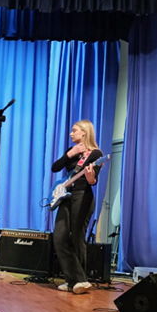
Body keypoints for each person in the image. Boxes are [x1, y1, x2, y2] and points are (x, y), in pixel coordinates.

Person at [51, 119, 103, 294]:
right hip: (66, 197)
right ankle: (72, 280)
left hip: (82, 196)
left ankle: (80, 281)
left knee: (77, 237)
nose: (71, 133)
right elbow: (55, 168)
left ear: (84, 132)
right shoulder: (71, 151)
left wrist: (90, 177)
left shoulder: (96, 154)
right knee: (59, 237)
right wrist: (70, 154)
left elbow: (93, 181)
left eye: (75, 130)